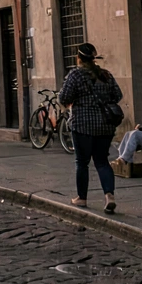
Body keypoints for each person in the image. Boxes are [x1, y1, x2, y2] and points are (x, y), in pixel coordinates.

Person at [58, 43, 122, 214]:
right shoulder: (105, 75)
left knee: (82, 162)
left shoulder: (75, 75)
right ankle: (109, 196)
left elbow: (64, 97)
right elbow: (118, 95)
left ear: (78, 58)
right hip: (105, 126)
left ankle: (82, 198)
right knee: (102, 161)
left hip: (82, 125)